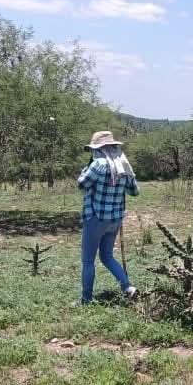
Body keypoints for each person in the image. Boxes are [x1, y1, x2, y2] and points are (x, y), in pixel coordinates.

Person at [77, 130, 139, 303]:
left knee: (88, 260)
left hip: (96, 218)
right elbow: (135, 191)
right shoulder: (124, 165)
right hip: (115, 219)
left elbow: (82, 184)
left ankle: (86, 299)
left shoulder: (98, 164)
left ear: (99, 148)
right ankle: (127, 287)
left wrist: (86, 168)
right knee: (107, 256)